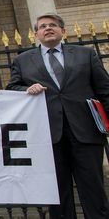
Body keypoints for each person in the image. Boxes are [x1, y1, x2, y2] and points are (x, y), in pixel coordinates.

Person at [7, 13, 109, 219]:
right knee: (57, 194)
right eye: (43, 26)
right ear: (36, 34)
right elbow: (12, 89)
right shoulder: (23, 60)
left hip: (86, 132)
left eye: (53, 25)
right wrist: (27, 89)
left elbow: (104, 90)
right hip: (47, 136)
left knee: (94, 190)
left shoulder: (85, 55)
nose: (48, 28)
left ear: (63, 31)